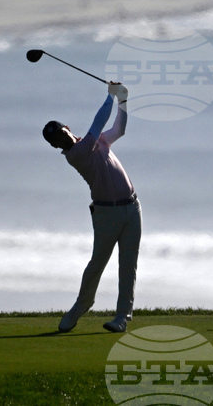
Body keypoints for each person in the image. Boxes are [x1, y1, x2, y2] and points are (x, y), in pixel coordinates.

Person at [44, 82, 140, 333]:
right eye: (56, 139)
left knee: (128, 264)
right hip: (107, 213)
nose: (61, 137)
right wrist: (110, 96)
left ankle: (122, 317)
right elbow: (98, 123)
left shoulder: (97, 143)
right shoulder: (76, 154)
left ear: (67, 128)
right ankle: (81, 305)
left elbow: (119, 129)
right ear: (55, 146)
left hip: (133, 207)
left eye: (61, 131)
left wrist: (123, 101)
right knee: (98, 262)